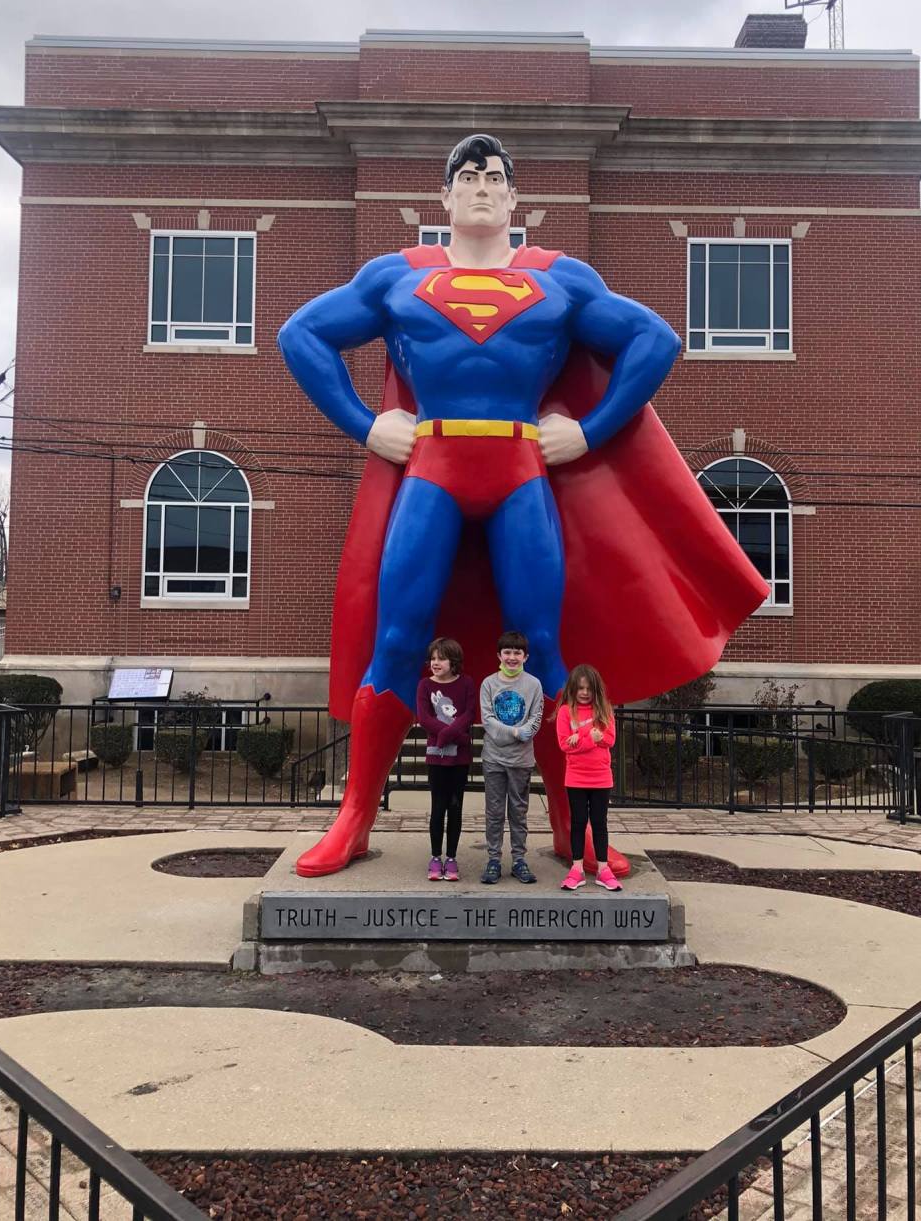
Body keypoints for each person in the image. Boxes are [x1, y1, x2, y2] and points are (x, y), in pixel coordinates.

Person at [279, 132, 768, 878]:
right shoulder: (396, 277)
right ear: (444, 197)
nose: (480, 185)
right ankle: (354, 816)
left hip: (519, 469)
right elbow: (301, 334)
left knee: (542, 644)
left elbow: (653, 339)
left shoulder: (559, 279)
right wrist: (364, 423)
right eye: (466, 175)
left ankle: (571, 820)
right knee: (399, 635)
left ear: (514, 198)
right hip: (433, 467)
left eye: (494, 176)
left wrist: (592, 430)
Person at [479, 631, 543, 885]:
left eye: (517, 653)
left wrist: (522, 733)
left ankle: (519, 860)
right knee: (494, 811)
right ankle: (493, 859)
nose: (512, 657)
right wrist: (515, 732)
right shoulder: (489, 684)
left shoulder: (534, 685)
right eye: (507, 652)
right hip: (494, 759)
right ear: (499, 655)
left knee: (518, 811)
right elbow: (488, 720)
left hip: (521, 760)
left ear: (525, 656)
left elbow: (535, 719)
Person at [415, 637, 476, 881]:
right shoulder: (424, 686)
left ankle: (451, 858)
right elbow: (424, 718)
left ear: (454, 661)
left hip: (459, 759)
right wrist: (455, 737)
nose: (436, 663)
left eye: (441, 658)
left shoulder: (467, 683)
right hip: (436, 757)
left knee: (455, 806)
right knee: (438, 807)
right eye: (433, 658)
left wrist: (447, 736)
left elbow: (469, 714)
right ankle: (435, 857)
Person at [555, 665, 620, 892]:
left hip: (601, 777)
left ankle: (603, 869)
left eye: (589, 689)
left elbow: (610, 739)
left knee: (600, 823)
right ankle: (577, 868)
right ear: (572, 689)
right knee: (579, 823)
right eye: (580, 688)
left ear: (596, 690)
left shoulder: (604, 710)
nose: (584, 693)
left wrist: (579, 738)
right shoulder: (565, 712)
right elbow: (564, 744)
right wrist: (591, 738)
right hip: (576, 778)